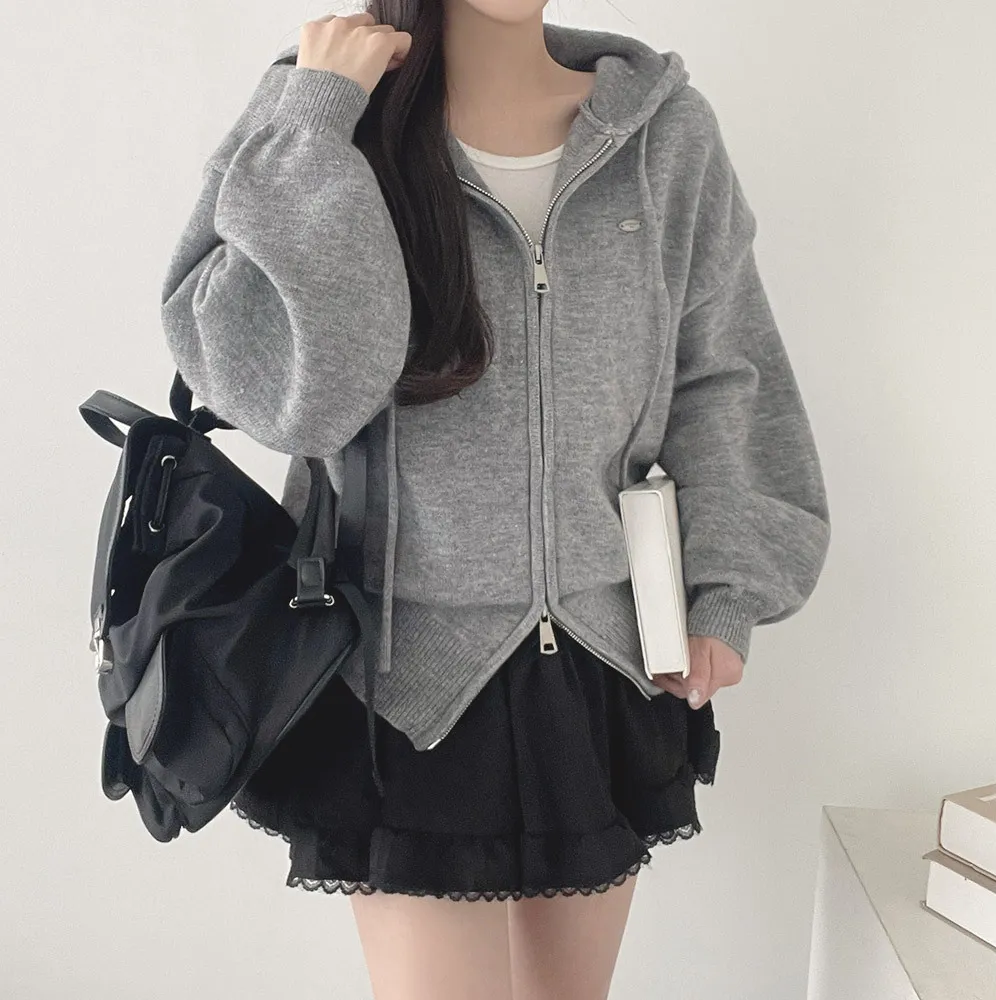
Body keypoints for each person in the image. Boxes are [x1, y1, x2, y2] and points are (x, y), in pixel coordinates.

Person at [159, 0, 831, 996]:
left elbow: (723, 372)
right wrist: (318, 119)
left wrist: (728, 588)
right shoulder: (324, 113)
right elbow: (295, 399)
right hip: (398, 674)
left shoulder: (663, 131)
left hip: (603, 662)